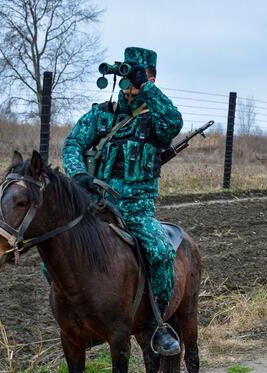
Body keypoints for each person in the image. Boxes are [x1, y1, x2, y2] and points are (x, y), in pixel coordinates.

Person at [62, 47, 183, 356]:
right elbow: (73, 142)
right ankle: (79, 321)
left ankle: (157, 324)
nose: (128, 87)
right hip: (98, 205)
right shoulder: (102, 115)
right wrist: (78, 175)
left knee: (160, 254)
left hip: (137, 208)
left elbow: (174, 122)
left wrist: (147, 88)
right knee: (57, 253)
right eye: (128, 79)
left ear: (151, 78)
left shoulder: (156, 120)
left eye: (137, 79)